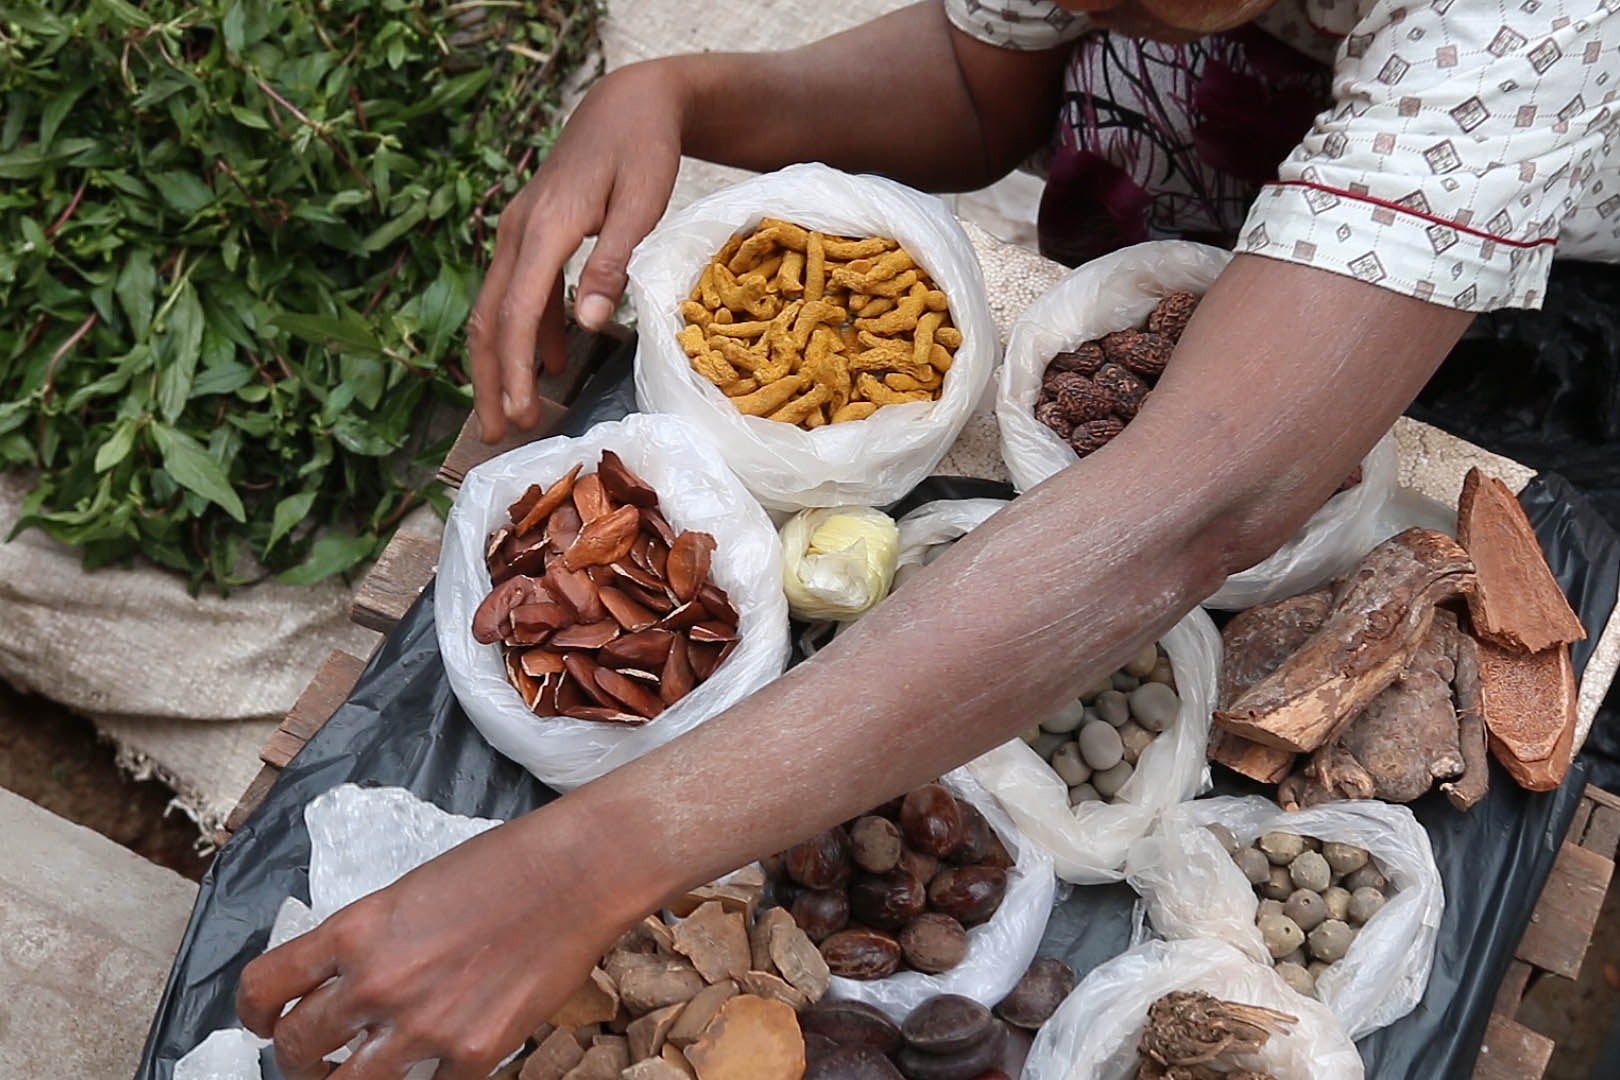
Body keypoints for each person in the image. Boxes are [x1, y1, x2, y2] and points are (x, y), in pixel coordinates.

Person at [238, 1, 1619, 1076]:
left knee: (1537, 656)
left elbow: (1196, 507)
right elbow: (975, 84)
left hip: (1521, 342)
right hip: (1214, 224)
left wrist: (592, 863)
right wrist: (673, 91)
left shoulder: (1521, 32)